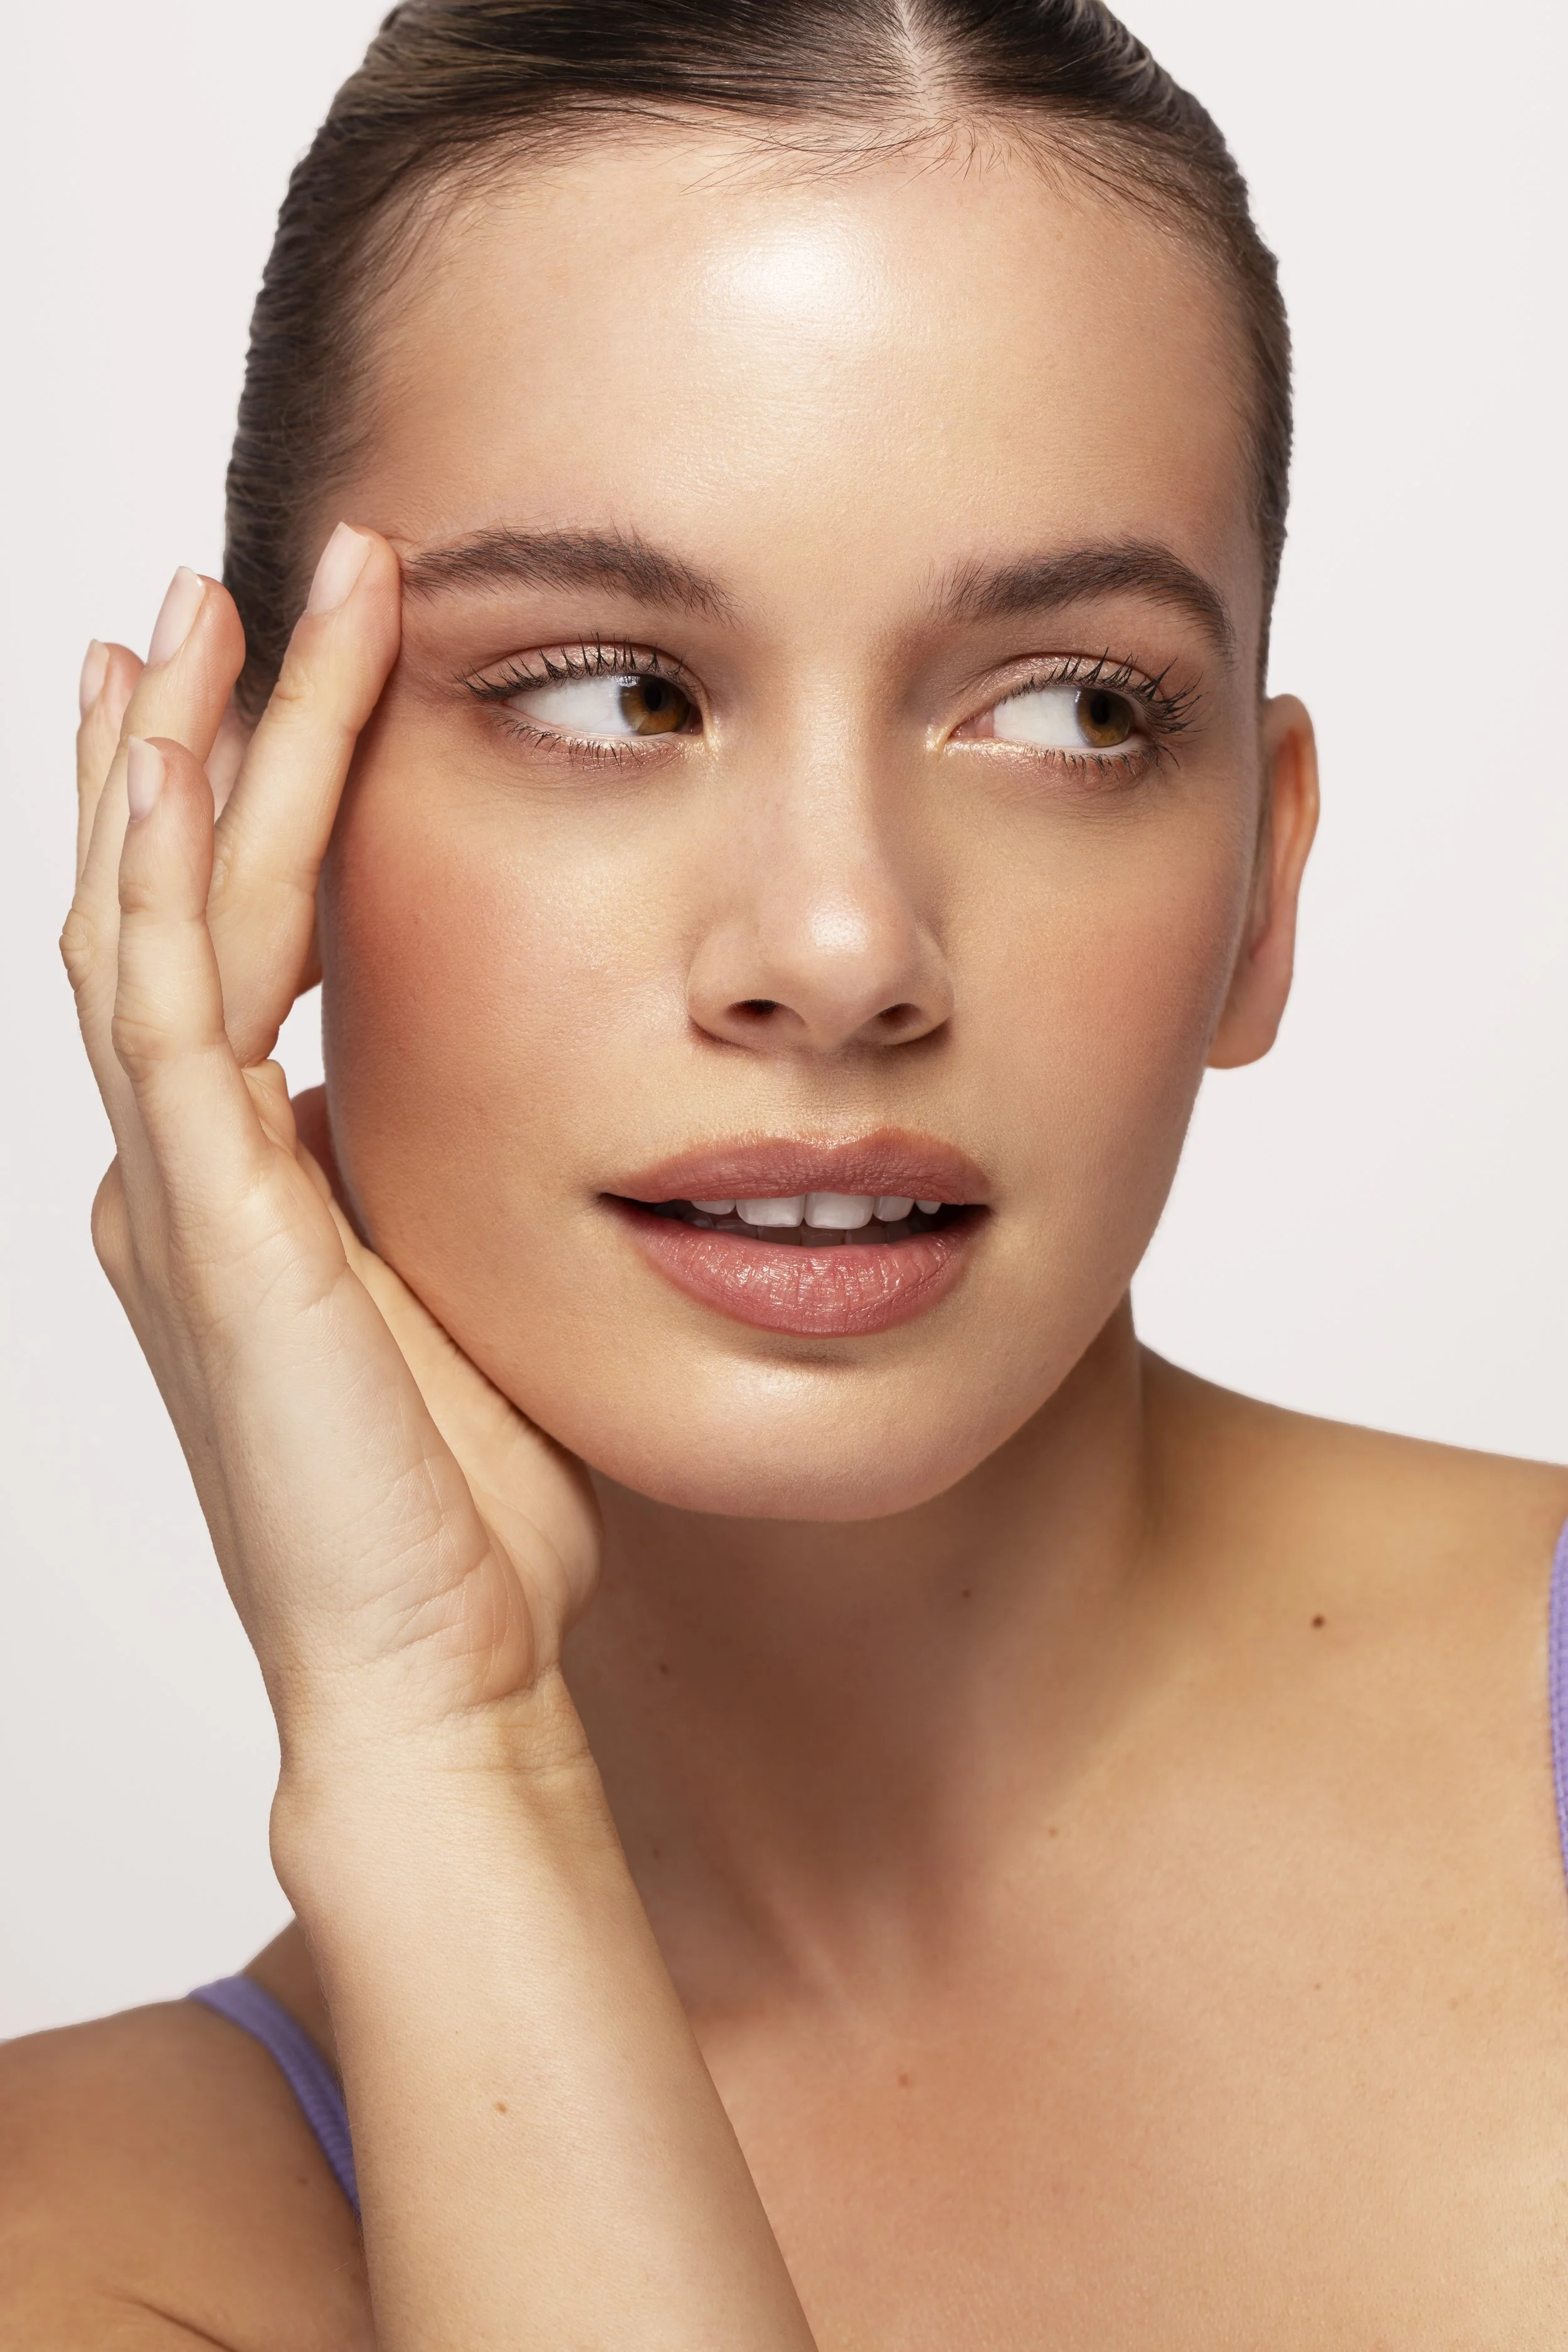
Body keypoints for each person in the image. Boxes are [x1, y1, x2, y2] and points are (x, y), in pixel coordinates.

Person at [4, 0, 1566, 2341]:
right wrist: (444, 1758)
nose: (839, 951)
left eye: (1066, 710)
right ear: (245, 828)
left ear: (1263, 881)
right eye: (613, 692)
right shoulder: (93, 2238)